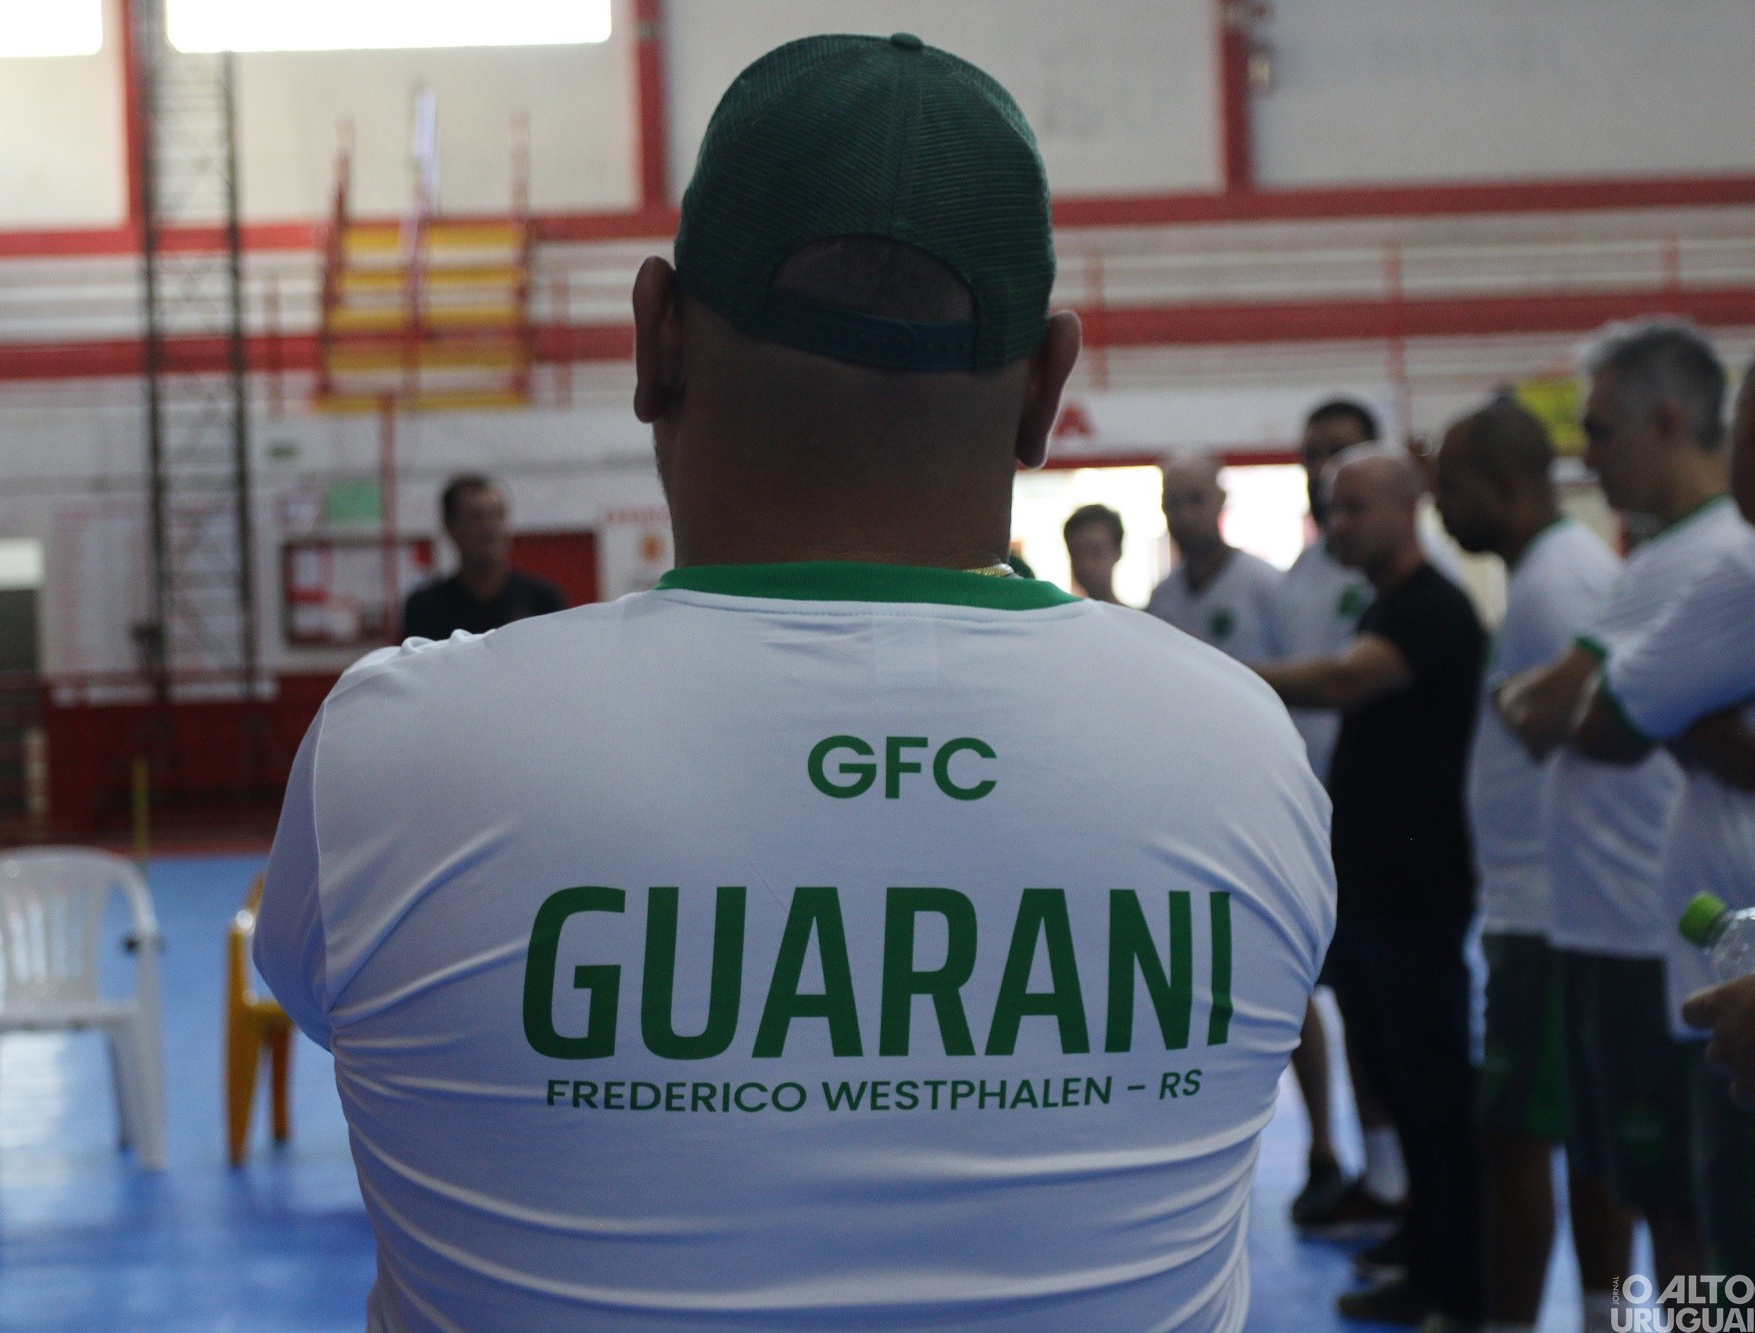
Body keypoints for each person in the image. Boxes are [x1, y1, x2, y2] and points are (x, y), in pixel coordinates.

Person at [256, 32, 1335, 1329]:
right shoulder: (1240, 751)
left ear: (653, 338)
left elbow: (338, 1012)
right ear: (1047, 390)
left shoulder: (399, 754)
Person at [1495, 320, 1743, 1296]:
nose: (1583, 457)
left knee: (1693, 1218)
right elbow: (1557, 709)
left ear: (1668, 423)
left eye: (1597, 433)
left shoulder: (1710, 559)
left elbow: (1581, 717)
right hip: (1638, 921)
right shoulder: (1654, 559)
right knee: (1664, 1199)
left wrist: (1647, 713)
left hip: (1673, 934)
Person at [1255, 445, 1488, 1330]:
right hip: (1377, 895)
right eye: (1330, 509)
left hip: (1418, 897)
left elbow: (1350, 680)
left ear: (1405, 507)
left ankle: (1461, 1290)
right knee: (1398, 1081)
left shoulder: (1432, 608)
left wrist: (1220, 678)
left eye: (1353, 508)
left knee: (1435, 1096)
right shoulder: (1392, 603)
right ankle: (1424, 1259)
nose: (1337, 525)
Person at [1433, 398, 1632, 1332]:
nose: (1441, 506)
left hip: (1553, 905)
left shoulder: (1561, 584)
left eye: (1452, 488)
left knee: (1517, 1136)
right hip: (1543, 900)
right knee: (1584, 1137)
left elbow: (1595, 738)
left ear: (1505, 489)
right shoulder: (1549, 574)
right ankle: (1601, 1315)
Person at [1576, 358, 1755, 1281]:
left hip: (1731, 976)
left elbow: (1597, 720)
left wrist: (1678, 722)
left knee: (1717, 1253)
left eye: (1601, 432)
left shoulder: (1735, 568)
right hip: (1713, 950)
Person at [1272, 397, 1406, 1245]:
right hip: (1307, 821)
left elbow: (1339, 683)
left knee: (1393, 1012)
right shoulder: (1295, 581)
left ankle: (1404, 1181)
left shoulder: (1409, 586)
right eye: (1312, 454)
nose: (1324, 472)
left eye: (1342, 454)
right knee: (1336, 996)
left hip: (1392, 828)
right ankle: (1371, 1168)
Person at [1146, 453, 1285, 662]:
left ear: (1221, 499)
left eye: (1197, 500)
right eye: (1173, 503)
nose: (1185, 515)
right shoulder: (1162, 599)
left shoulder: (1266, 585)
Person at [398, 474, 565, 640]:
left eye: (497, 515)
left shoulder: (542, 602)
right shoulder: (425, 608)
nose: (490, 528)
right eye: (476, 518)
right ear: (450, 526)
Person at [1062, 503, 1124, 604]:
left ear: (1118, 551)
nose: (1086, 564)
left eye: (1096, 552)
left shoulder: (1140, 619)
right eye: (1076, 553)